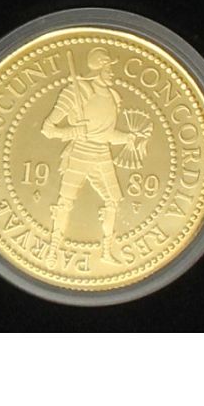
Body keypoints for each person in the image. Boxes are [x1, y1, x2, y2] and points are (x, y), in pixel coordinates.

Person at [41, 48, 130, 260]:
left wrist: (127, 138)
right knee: (65, 202)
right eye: (108, 68)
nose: (112, 73)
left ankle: (106, 252)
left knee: (113, 201)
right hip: (79, 154)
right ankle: (53, 250)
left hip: (102, 155)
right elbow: (47, 128)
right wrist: (72, 132)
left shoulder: (113, 96)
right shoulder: (76, 92)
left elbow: (105, 134)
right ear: (98, 69)